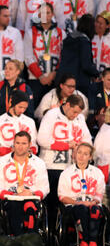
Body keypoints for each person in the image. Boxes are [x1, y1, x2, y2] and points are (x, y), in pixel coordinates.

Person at [37, 94, 92, 237]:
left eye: (78, 113)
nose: (76, 116)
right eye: (74, 112)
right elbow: (41, 139)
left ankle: (69, 237)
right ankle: (50, 236)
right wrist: (66, 145)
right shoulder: (51, 115)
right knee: (53, 205)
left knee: (72, 204)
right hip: (52, 166)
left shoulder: (79, 118)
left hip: (72, 168)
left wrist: (80, 148)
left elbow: (87, 140)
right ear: (67, 105)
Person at [0, 131, 50, 236]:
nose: (20, 147)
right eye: (18, 143)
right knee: (15, 205)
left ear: (29, 145)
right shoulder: (1, 161)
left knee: (30, 205)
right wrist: (13, 195)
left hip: (32, 198)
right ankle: (19, 238)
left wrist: (32, 194)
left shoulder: (39, 163)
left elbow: (45, 187)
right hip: (10, 199)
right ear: (13, 144)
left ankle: (30, 236)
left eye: (24, 143)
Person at [58, 142, 106, 246]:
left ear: (90, 157)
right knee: (82, 209)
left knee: (95, 210)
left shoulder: (97, 173)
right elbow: (62, 197)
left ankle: (93, 242)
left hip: (92, 204)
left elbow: (100, 193)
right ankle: (84, 241)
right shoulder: (66, 173)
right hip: (73, 206)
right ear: (74, 154)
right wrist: (78, 203)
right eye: (79, 152)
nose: (81, 156)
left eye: (85, 154)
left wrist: (93, 201)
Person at [24, 2, 66, 106]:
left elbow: (64, 56)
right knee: (36, 107)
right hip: (36, 79)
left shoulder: (61, 33)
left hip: (55, 78)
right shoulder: (30, 32)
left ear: (52, 14)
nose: (45, 16)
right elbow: (28, 57)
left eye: (48, 13)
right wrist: (41, 77)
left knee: (55, 107)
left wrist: (54, 74)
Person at [56, 14, 99, 96]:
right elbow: (86, 65)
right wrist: (97, 74)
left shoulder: (68, 39)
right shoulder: (84, 42)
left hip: (63, 80)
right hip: (78, 83)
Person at [0, 90, 38, 158]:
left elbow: (34, 144)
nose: (22, 110)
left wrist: (31, 151)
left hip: (26, 161)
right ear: (12, 104)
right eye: (20, 107)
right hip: (6, 161)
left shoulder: (30, 121)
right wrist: (10, 151)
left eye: (25, 108)